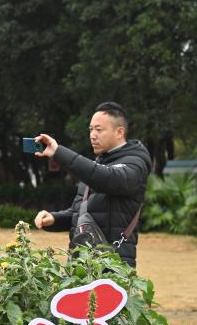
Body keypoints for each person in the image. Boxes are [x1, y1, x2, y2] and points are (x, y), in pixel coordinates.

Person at [33, 102, 150, 267]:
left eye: (99, 130)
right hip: (81, 265)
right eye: (91, 129)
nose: (93, 135)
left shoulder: (135, 163)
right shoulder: (95, 167)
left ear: (119, 132)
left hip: (114, 268)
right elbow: (80, 213)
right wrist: (54, 219)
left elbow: (107, 178)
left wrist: (59, 152)